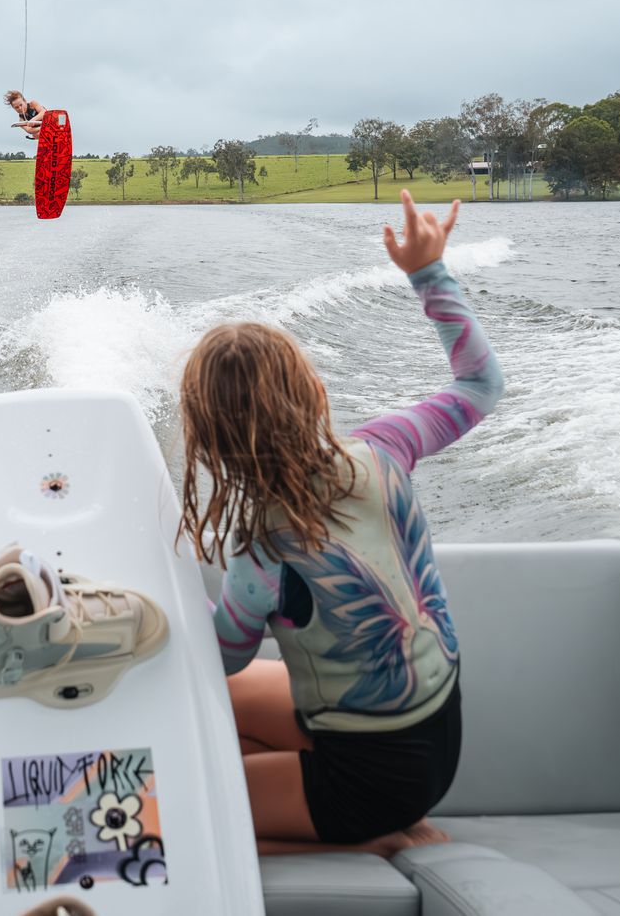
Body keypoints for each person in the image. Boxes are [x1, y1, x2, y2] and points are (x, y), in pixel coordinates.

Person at [180, 190, 504, 858]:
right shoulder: (387, 446)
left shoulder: (260, 552)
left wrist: (163, 592)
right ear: (311, 388)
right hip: (441, 737)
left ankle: (366, 843)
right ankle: (343, 808)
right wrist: (429, 272)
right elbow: (480, 384)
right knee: (213, 718)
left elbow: (219, 657)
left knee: (180, 807)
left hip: (367, 779)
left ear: (210, 441)